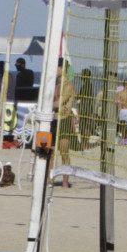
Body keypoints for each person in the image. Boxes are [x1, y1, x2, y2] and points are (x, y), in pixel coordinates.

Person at [51, 59, 75, 188]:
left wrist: (47, 105)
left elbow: (60, 102)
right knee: (50, 152)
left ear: (61, 68)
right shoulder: (55, 83)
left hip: (64, 119)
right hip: (54, 119)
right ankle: (50, 179)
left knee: (64, 152)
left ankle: (65, 181)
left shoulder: (68, 84)